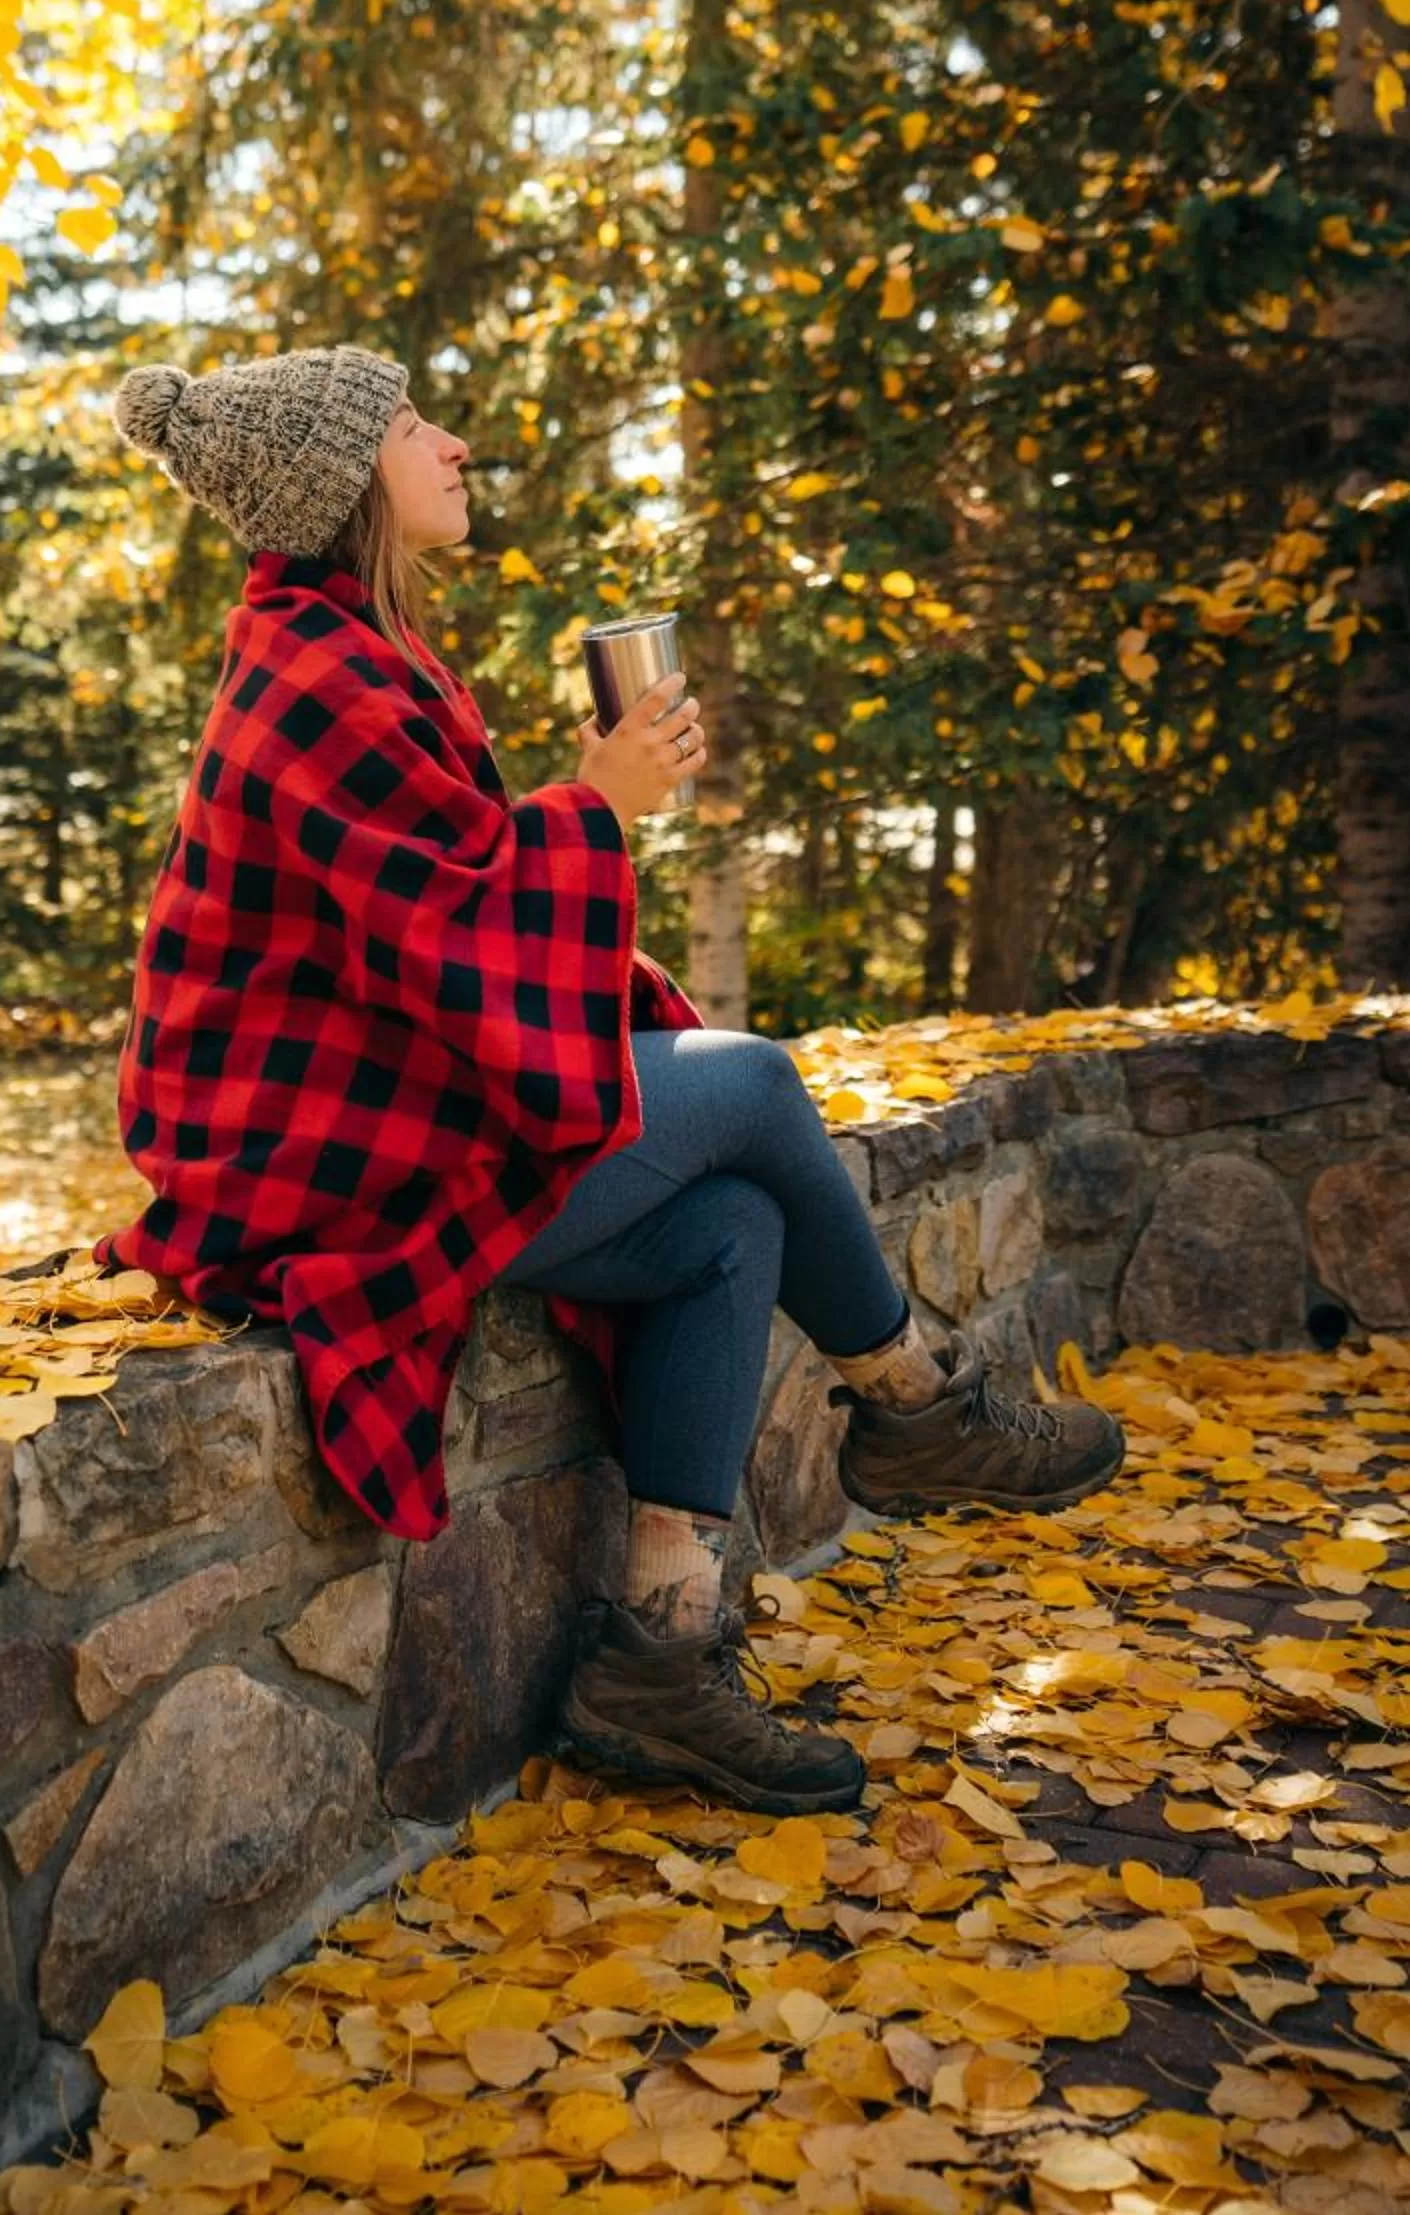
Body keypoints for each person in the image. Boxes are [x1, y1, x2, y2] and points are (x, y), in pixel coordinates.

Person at [94, 343, 1124, 1813]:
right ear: (340, 485)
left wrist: (583, 801)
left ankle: (660, 1651)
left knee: (730, 1230)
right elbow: (448, 932)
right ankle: (916, 1407)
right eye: (408, 426)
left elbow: (433, 898)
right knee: (755, 1086)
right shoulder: (307, 679)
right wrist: (596, 808)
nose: (448, 445)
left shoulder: (353, 652)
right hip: (308, 1176)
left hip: (381, 1125)